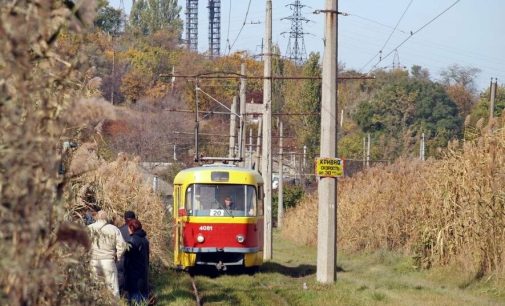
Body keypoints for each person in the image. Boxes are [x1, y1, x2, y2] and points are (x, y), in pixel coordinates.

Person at [88, 210, 126, 298]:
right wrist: (118, 256)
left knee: (95, 289)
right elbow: (122, 245)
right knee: (113, 289)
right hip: (108, 261)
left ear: (97, 217)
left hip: (93, 261)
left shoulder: (89, 228)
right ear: (106, 218)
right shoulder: (113, 228)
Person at [124, 218, 150, 304]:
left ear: (132, 228)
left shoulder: (132, 240)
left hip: (134, 274)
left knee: (135, 298)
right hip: (144, 272)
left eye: (128, 227)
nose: (127, 230)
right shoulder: (145, 240)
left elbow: (128, 259)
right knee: (144, 297)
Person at [118, 210, 136, 296]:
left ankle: (124, 296)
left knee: (122, 277)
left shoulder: (119, 230)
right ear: (134, 219)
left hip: (122, 258)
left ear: (124, 219)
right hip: (134, 259)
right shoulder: (137, 230)